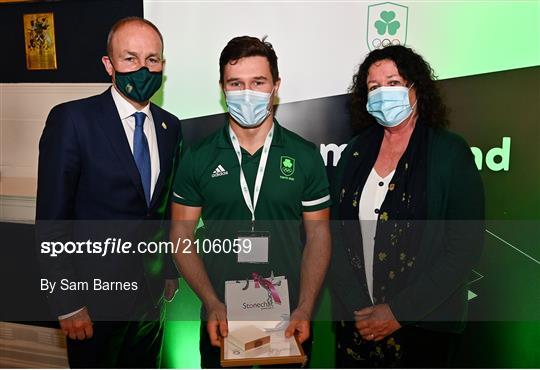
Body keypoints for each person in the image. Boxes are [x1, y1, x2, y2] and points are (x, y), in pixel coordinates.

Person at [169, 36, 331, 368]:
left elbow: (319, 235)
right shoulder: (198, 158)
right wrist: (211, 301)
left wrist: (305, 306)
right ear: (222, 88)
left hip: (288, 319)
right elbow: (181, 235)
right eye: (236, 84)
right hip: (221, 318)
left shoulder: (304, 156)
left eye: (258, 82)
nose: (247, 93)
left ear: (275, 86)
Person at [36, 17, 182, 368]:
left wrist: (169, 269)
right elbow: (52, 221)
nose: (143, 68)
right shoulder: (72, 120)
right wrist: (66, 301)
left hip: (149, 302)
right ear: (109, 64)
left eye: (152, 59)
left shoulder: (170, 126)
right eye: (130, 58)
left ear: (162, 64)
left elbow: (160, 211)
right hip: (92, 303)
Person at [329, 45, 485, 367]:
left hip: (424, 329)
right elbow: (335, 233)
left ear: (416, 88)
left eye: (394, 83)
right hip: (356, 324)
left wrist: (398, 312)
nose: (383, 93)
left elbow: (464, 247)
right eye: (374, 87)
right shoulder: (355, 152)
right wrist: (361, 310)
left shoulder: (449, 153)